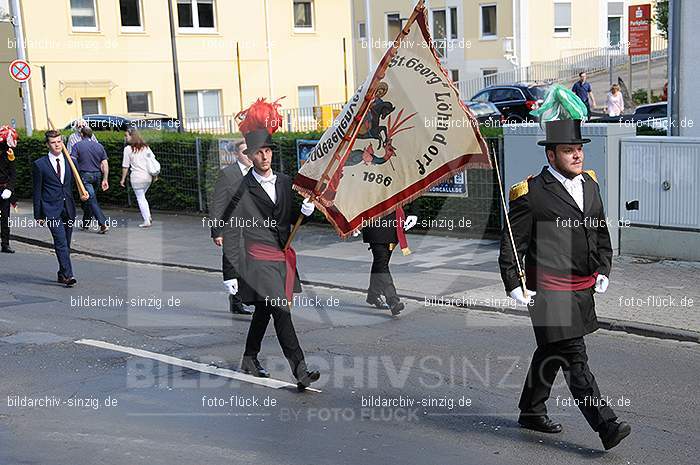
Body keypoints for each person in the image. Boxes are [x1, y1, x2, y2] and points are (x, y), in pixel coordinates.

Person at [498, 115, 631, 450]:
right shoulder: (531, 193)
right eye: (568, 150)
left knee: (551, 352)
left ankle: (530, 409)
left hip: (581, 288)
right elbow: (513, 241)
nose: (577, 155)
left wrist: (604, 268)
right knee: (574, 356)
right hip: (549, 292)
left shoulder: (590, 184)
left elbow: (599, 232)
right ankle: (607, 425)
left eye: (579, 149)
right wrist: (514, 282)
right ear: (551, 155)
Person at [226, 98, 319, 391]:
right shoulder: (242, 189)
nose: (264, 156)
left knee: (266, 310)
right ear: (250, 156)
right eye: (258, 153)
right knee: (281, 310)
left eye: (267, 151)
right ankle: (300, 370)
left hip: (281, 258)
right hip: (257, 261)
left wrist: (304, 212)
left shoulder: (284, 181)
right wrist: (229, 274)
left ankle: (249, 358)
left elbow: (289, 216)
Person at [210, 140, 254, 315]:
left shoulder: (257, 172)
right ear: (237, 154)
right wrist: (217, 231)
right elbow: (218, 204)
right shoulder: (227, 174)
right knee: (233, 262)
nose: (249, 156)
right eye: (245, 152)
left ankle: (247, 296)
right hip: (232, 227)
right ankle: (236, 300)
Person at [32, 130, 78, 287]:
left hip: (68, 208)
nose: (57, 144)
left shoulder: (71, 161)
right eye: (53, 142)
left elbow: (76, 184)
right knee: (60, 242)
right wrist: (38, 214)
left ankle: (61, 272)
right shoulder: (40, 164)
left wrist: (84, 196)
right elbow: (37, 190)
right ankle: (68, 275)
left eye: (59, 141)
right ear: (47, 145)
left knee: (66, 243)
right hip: (50, 209)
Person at [362, 208, 412, 316]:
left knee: (380, 264)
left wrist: (410, 214)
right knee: (382, 264)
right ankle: (393, 301)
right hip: (374, 225)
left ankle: (373, 295)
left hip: (393, 228)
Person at [71, 126, 109, 233]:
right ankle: (85, 224)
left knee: (91, 200)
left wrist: (77, 173)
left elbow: (73, 160)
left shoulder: (77, 146)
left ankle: (102, 223)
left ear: (82, 135)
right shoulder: (99, 146)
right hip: (97, 175)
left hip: (85, 176)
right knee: (90, 200)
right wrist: (105, 179)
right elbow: (105, 163)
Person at [120, 127, 154, 228]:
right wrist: (155, 175)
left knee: (140, 198)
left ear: (132, 136)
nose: (125, 138)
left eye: (126, 136)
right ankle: (148, 216)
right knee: (143, 197)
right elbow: (152, 160)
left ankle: (146, 220)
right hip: (148, 177)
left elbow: (125, 166)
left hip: (136, 178)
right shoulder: (145, 147)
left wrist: (122, 179)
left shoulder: (127, 149)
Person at [0, 126, 18, 254]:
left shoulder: (9, 153)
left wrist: (10, 189)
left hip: (4, 189)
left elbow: (13, 173)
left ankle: (5, 244)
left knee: (5, 218)